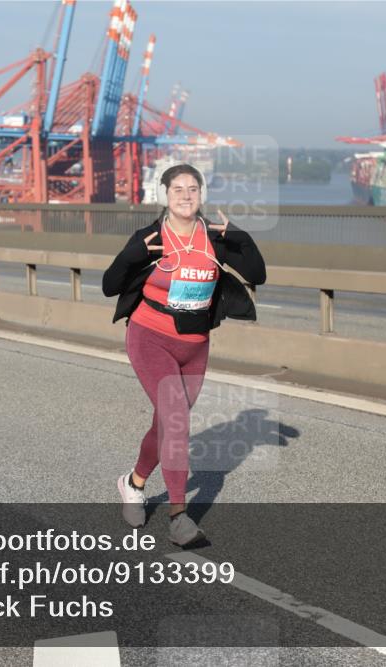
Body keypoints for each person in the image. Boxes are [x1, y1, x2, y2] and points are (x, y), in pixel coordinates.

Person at [102, 164, 266, 546]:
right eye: (178, 189)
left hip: (194, 344)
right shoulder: (151, 238)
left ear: (202, 195)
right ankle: (179, 518)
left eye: (193, 189)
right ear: (165, 195)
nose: (186, 195)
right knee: (176, 419)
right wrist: (130, 255)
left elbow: (257, 274)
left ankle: (133, 482)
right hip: (149, 336)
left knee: (167, 424)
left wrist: (242, 239)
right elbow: (111, 285)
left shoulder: (216, 237)